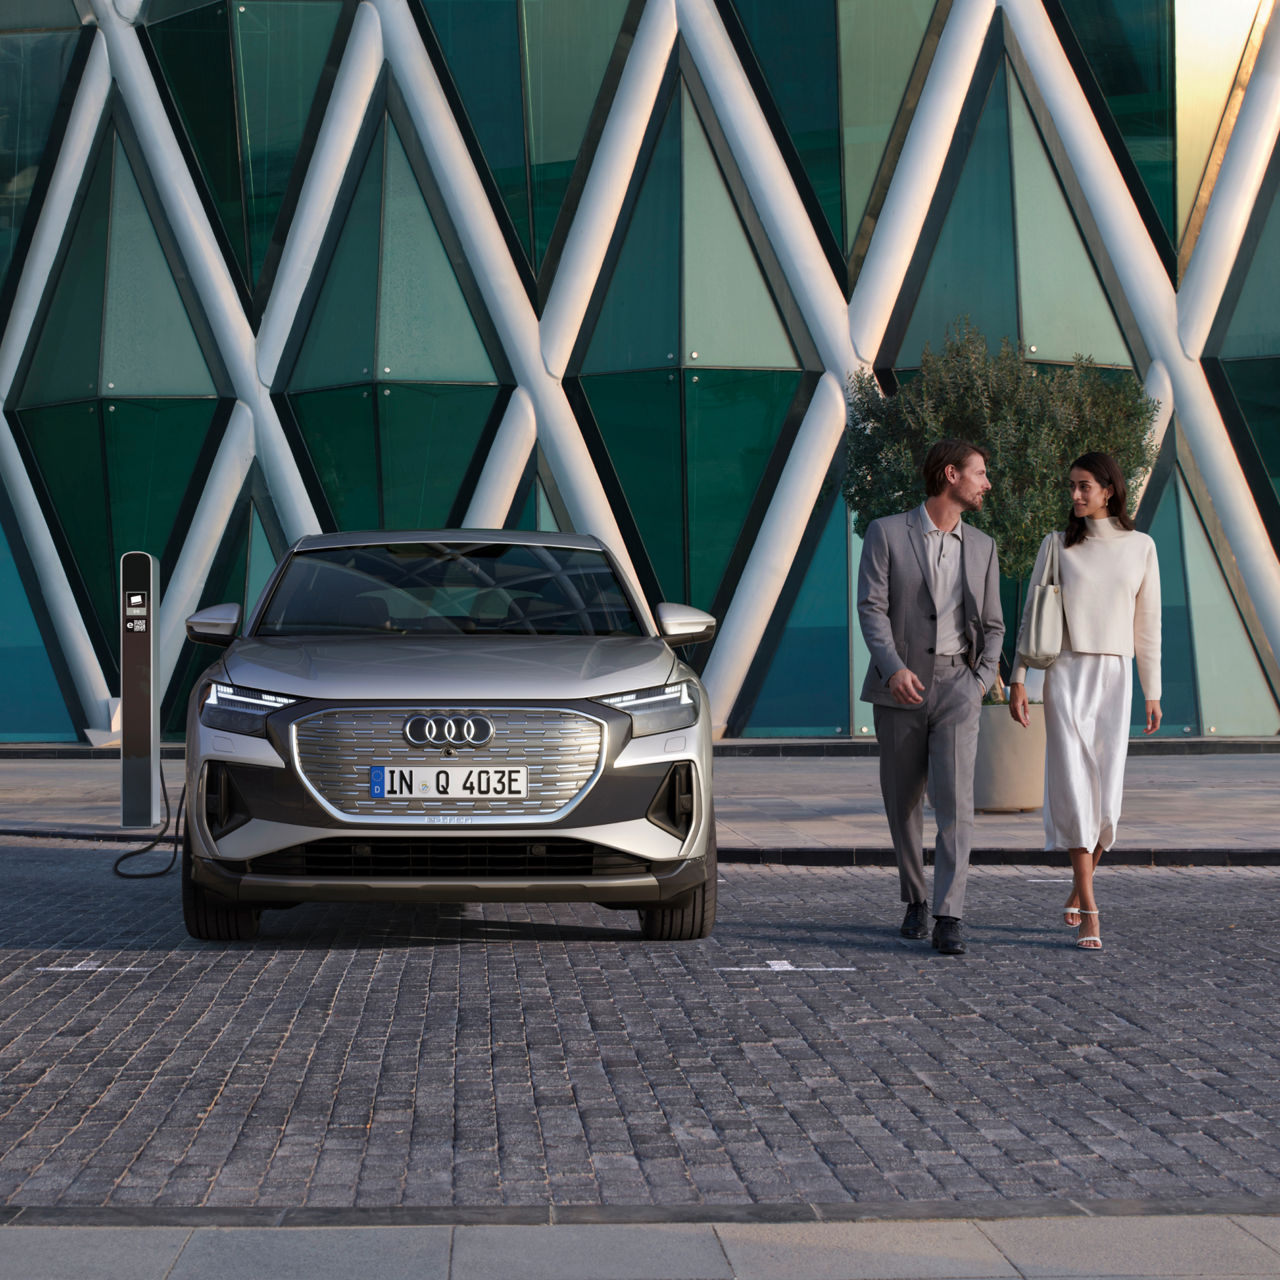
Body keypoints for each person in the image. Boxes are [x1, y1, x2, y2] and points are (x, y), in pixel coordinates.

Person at [1008, 451, 1161, 951]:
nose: (1074, 495)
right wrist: (1018, 680)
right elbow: (1033, 614)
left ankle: (1079, 884)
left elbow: (1148, 627)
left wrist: (1152, 689)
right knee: (1074, 784)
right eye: (1071, 486)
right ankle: (1092, 906)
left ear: (1109, 489)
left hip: (1115, 677)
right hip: (1067, 673)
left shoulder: (1141, 547)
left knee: (1108, 794)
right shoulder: (1057, 545)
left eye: (1084, 486)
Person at [857, 439, 1004, 956]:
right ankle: (915, 899)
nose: (987, 483)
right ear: (950, 475)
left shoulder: (983, 546)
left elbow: (993, 625)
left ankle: (949, 913)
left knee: (958, 806)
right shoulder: (887, 533)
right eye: (980, 473)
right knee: (903, 802)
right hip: (900, 688)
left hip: (958, 687)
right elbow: (871, 609)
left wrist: (980, 681)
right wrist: (892, 668)